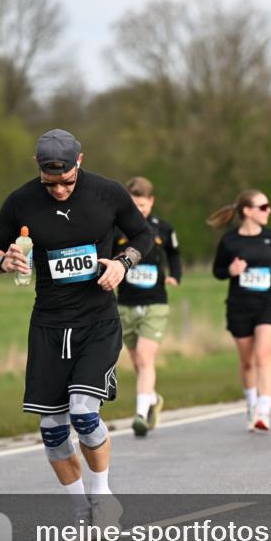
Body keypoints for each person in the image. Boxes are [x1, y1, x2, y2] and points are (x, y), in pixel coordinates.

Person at [0, 129, 153, 532]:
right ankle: (80, 511)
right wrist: (2, 263)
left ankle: (103, 497)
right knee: (52, 430)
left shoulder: (107, 193)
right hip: (48, 325)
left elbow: (144, 235)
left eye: (67, 181)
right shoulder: (21, 201)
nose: (59, 190)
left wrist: (122, 263)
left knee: (82, 413)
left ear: (80, 162)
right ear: (38, 169)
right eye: (50, 183)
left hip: (97, 321)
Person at [209, 190, 271, 432]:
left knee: (263, 356)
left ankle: (264, 411)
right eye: (263, 207)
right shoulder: (230, 241)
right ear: (247, 212)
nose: (269, 211)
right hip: (240, 305)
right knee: (247, 362)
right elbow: (218, 271)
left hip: (268, 302)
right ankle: (252, 404)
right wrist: (231, 271)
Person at [112, 176, 182, 437]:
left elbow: (174, 254)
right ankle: (152, 398)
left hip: (155, 302)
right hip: (126, 303)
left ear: (151, 202)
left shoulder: (163, 229)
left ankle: (140, 414)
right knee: (136, 361)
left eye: (142, 205)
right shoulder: (118, 231)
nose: (139, 210)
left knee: (145, 356)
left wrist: (175, 275)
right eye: (134, 205)